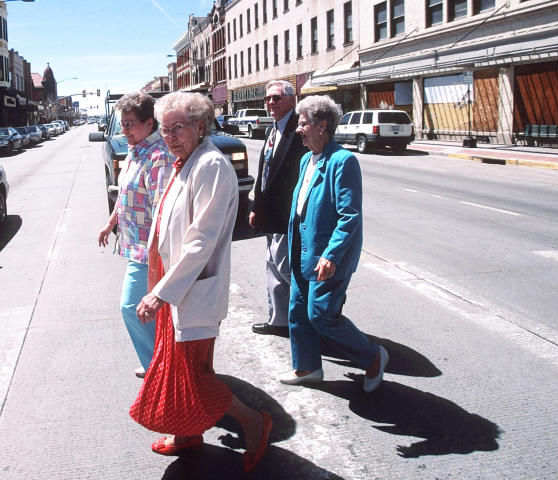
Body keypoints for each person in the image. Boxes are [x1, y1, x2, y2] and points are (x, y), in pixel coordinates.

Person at [129, 92, 272, 472]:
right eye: (165, 129)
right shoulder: (183, 163)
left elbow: (199, 241)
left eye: (179, 127)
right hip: (173, 290)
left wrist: (160, 294)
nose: (171, 136)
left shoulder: (210, 165)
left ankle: (255, 423)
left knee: (195, 377)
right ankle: (187, 433)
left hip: (189, 293)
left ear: (201, 126)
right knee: (174, 369)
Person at [278, 95, 389, 392]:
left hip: (328, 255)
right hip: (303, 248)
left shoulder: (343, 160)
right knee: (298, 310)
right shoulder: (307, 159)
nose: (299, 129)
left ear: (321, 125)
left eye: (303, 124)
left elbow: (349, 214)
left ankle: (373, 356)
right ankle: (307, 367)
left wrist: (332, 254)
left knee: (321, 313)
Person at [98, 92, 176, 378]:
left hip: (150, 251)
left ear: (150, 123)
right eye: (123, 124)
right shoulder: (136, 150)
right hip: (135, 247)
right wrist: (110, 223)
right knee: (145, 311)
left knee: (132, 307)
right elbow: (125, 195)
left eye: (130, 124)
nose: (124, 130)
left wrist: (158, 257)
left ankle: (159, 368)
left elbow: (162, 211)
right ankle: (158, 362)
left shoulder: (158, 157)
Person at [249, 80, 307, 338]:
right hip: (270, 215)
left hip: (288, 216)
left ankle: (311, 318)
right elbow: (264, 175)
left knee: (286, 269)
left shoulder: (300, 131)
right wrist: (256, 207)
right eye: (268, 99)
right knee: (273, 267)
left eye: (277, 98)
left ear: (292, 100)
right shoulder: (272, 130)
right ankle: (279, 320)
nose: (270, 103)